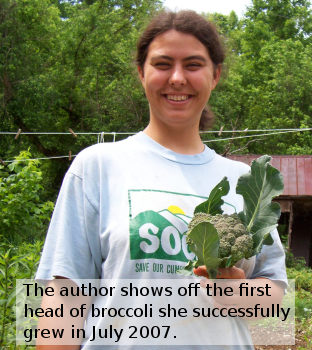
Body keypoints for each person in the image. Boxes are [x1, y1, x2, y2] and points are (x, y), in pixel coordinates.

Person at [35, 10, 287, 350]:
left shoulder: (246, 182)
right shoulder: (98, 165)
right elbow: (64, 296)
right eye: (163, 64)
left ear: (215, 75)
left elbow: (273, 295)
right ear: (141, 73)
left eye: (194, 65)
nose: (178, 78)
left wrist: (235, 292)